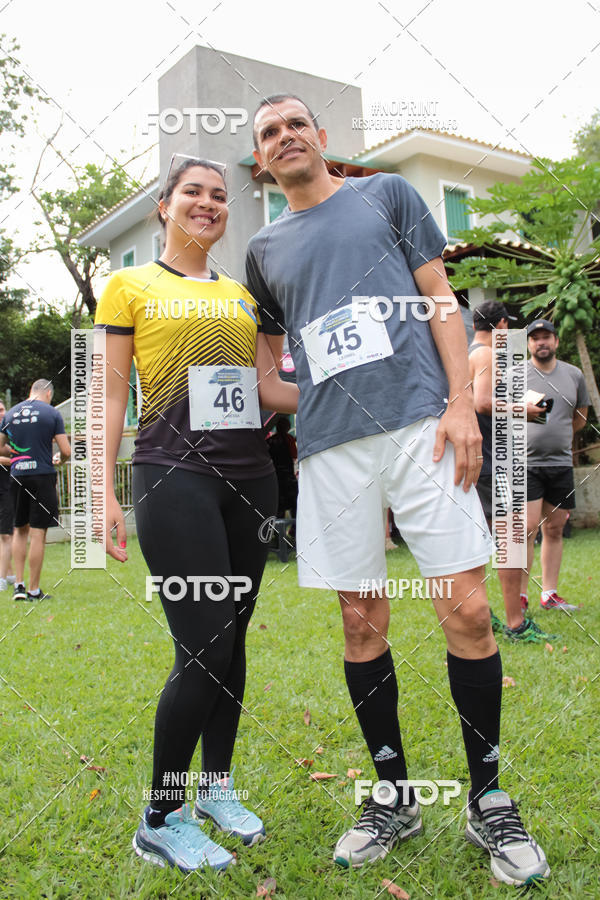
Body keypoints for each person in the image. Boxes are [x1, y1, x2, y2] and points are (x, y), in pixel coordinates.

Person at [247, 94, 549, 886]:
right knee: (361, 626)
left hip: (422, 426)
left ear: (320, 137)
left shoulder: (386, 194)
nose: (284, 138)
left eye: (294, 125)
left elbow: (440, 300)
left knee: (468, 609)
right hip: (331, 455)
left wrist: (460, 404)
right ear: (262, 160)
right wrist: (301, 401)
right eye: (268, 133)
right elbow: (270, 370)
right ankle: (392, 794)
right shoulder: (263, 250)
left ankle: (488, 799)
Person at [95, 156, 298, 874]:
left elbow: (270, 388)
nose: (208, 204)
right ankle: (159, 816)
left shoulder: (244, 297)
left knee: (233, 642)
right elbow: (112, 395)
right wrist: (103, 488)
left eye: (218, 196)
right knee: (203, 646)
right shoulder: (130, 285)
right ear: (164, 207)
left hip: (251, 482)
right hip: (172, 478)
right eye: (193, 194)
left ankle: (216, 788)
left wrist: (368, 388)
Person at [468, 301, 555, 643]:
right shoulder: (487, 355)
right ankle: (516, 624)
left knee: (485, 540)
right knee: (512, 541)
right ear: (501, 324)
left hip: (481, 460)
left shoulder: (468, 353)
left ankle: (483, 614)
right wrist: (526, 410)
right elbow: (483, 403)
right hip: (493, 462)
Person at [521, 319, 589, 611]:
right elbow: (498, 416)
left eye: (546, 337)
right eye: (535, 338)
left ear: (556, 341)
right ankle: (520, 597)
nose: (541, 342)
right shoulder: (515, 375)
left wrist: (557, 436)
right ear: (528, 344)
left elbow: (581, 417)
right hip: (525, 464)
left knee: (555, 528)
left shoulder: (574, 375)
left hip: (560, 463)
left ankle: (549, 594)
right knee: (526, 528)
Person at [0, 380, 71, 600]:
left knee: (19, 530)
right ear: (48, 393)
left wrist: (16, 453)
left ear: (31, 391)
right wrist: (60, 460)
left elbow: (0, 445)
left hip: (17, 475)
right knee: (38, 533)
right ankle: (34, 589)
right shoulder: (51, 414)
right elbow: (66, 450)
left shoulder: (10, 414)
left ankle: (18, 586)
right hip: (42, 475)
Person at [0, 398, 17, 592]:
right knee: (5, 535)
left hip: (7, 489)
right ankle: (8, 575)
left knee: (6, 534)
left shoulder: (10, 432)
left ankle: (4, 578)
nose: (1, 413)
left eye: (3, 409)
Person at [267, 416, 298, 520]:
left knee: (278, 507)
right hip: (288, 478)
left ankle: (277, 532)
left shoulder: (269, 441)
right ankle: (294, 530)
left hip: (275, 478)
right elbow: (294, 455)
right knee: (294, 505)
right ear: (287, 427)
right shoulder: (289, 438)